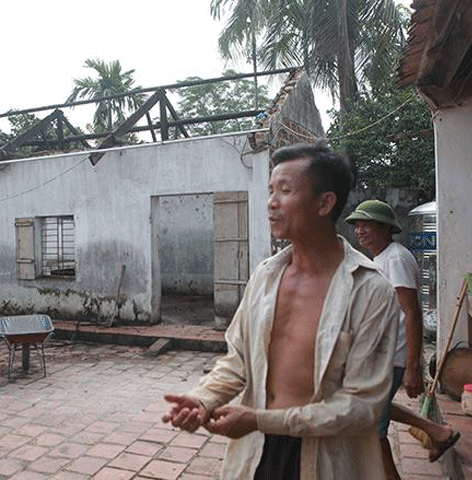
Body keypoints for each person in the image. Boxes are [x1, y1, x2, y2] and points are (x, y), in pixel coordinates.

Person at [162, 142, 399, 480]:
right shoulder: (265, 276)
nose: (272, 202)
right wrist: (202, 400)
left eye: (285, 191)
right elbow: (238, 361)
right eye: (271, 190)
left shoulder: (370, 290)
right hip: (256, 450)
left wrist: (260, 420)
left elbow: (361, 406)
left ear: (324, 203)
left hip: (325, 457)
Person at [345, 200, 460, 478]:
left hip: (391, 357)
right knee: (374, 407)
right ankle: (437, 431)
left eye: (367, 225)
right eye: (357, 225)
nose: (360, 231)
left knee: (372, 431)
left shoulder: (395, 259)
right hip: (381, 354)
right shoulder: (381, 259)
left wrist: (412, 366)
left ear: (387, 228)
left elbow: (412, 313)